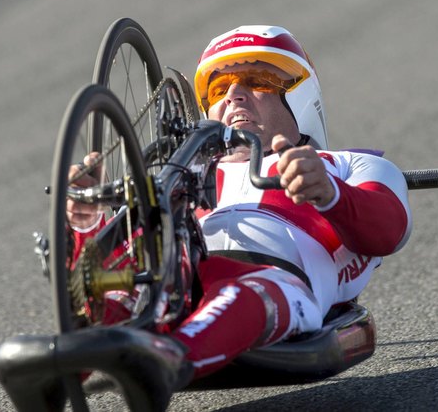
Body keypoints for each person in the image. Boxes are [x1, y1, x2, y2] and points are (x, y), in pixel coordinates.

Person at [69, 25, 412, 385]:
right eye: (219, 88)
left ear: (300, 96)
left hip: (274, 281)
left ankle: (169, 358)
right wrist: (85, 219)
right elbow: (120, 249)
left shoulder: (345, 165)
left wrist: (331, 193)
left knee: (242, 294)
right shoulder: (177, 175)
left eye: (258, 79)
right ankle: (70, 350)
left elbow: (389, 231)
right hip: (174, 274)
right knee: (118, 288)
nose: (234, 94)